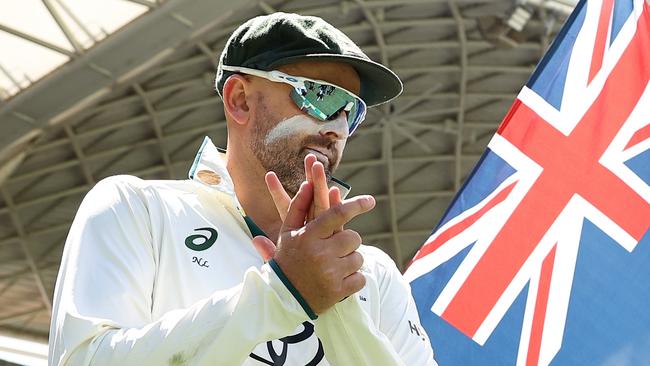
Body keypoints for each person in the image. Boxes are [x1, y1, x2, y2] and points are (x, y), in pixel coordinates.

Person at [48, 12, 437, 366]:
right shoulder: (136, 209)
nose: (336, 128)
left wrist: (340, 312)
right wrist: (281, 294)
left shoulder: (373, 273)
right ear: (239, 100)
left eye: (352, 111)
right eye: (322, 97)